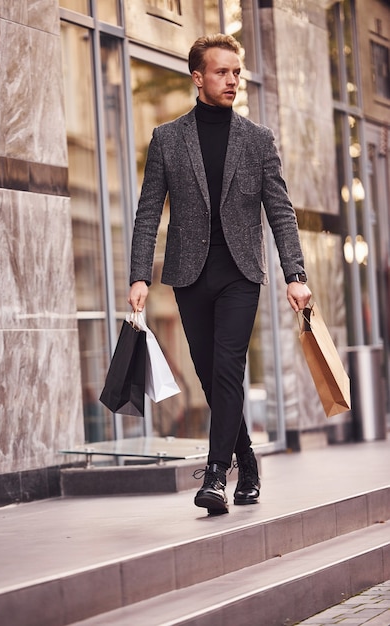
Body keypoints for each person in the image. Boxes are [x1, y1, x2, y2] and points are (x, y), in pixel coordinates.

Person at [128, 34, 312, 515]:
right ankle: (247, 461)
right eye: (221, 72)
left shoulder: (257, 139)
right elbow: (148, 213)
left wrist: (295, 273)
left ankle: (215, 474)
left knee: (229, 366)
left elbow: (281, 211)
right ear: (198, 77)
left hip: (239, 273)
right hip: (189, 275)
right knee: (212, 377)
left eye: (236, 72)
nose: (232, 80)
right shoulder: (168, 139)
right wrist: (139, 275)